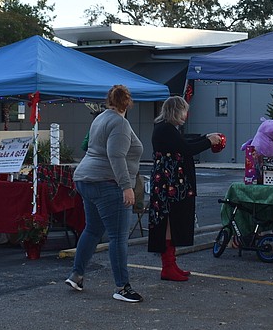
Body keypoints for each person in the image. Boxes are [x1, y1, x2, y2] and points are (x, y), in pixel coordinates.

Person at [66, 85, 144, 303]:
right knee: (118, 237)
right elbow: (116, 156)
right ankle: (122, 287)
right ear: (128, 103)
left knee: (92, 229)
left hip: (85, 179)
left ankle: (76, 275)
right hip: (106, 182)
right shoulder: (120, 123)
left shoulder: (100, 118)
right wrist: (126, 186)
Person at [148, 96, 222, 281]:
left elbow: (184, 143)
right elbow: (185, 148)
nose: (186, 115)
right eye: (183, 111)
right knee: (169, 222)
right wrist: (208, 141)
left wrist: (205, 138)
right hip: (169, 184)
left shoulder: (166, 128)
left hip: (172, 183)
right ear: (175, 110)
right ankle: (168, 266)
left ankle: (171, 264)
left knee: (173, 222)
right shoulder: (165, 129)